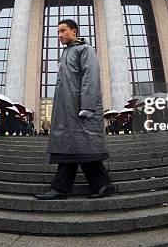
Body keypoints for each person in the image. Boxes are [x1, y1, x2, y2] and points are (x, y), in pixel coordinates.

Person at [35, 19, 115, 200]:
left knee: (76, 146)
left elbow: (91, 77)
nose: (60, 35)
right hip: (67, 109)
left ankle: (61, 188)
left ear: (74, 31)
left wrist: (87, 106)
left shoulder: (85, 50)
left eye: (63, 31)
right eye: (58, 32)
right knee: (77, 147)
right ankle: (103, 185)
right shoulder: (66, 53)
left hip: (79, 109)